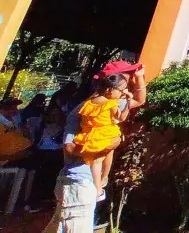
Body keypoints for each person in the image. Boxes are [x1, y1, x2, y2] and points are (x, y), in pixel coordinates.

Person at [44, 60, 146, 233]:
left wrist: (140, 78)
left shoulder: (109, 102)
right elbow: (70, 147)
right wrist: (104, 148)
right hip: (78, 181)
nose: (127, 83)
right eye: (125, 78)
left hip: (82, 183)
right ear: (110, 84)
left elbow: (138, 100)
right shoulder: (83, 110)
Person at [72, 74, 132, 201]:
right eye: (121, 90)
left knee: (96, 160)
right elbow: (121, 117)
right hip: (105, 134)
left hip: (90, 136)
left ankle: (99, 186)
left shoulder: (89, 102)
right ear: (110, 90)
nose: (123, 93)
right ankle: (101, 184)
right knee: (102, 157)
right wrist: (128, 103)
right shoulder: (110, 103)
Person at [22, 103, 67, 213]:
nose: (54, 117)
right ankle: (34, 201)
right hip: (40, 153)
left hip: (56, 154)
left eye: (56, 115)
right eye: (51, 115)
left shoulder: (63, 129)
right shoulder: (39, 125)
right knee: (43, 166)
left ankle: (48, 197)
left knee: (56, 164)